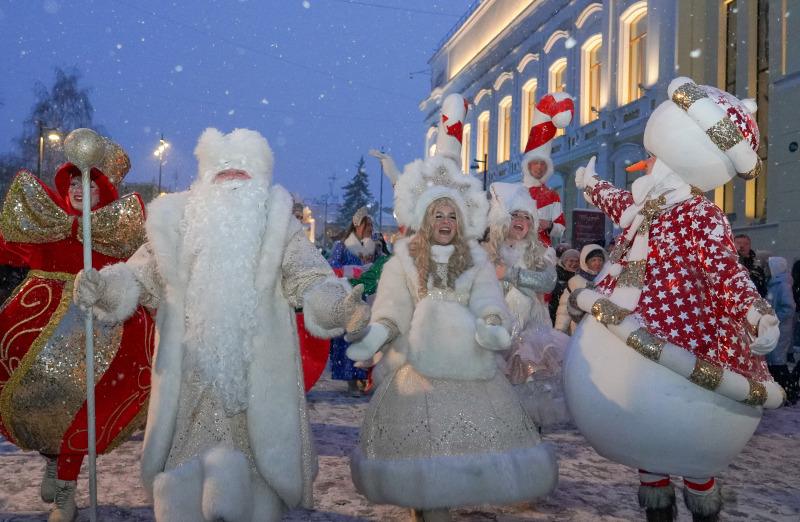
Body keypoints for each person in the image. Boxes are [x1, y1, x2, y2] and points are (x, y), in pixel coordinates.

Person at [74, 128, 370, 522]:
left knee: (255, 483)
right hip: (190, 382)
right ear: (205, 178)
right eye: (222, 173)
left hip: (256, 382)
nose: (231, 181)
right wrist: (105, 287)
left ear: (259, 179)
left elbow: (309, 277)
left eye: (242, 174)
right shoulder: (178, 222)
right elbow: (139, 276)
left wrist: (337, 306)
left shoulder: (279, 225)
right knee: (185, 483)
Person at [567, 77, 782, 522]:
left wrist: (757, 314)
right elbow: (623, 205)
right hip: (626, 302)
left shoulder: (699, 213)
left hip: (681, 320)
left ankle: (699, 499)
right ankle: (658, 505)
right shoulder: (653, 204)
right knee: (649, 449)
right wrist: (591, 185)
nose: (649, 167)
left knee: (681, 430)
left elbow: (725, 271)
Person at [345, 94, 558, 522]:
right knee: (420, 444)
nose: (445, 222)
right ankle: (423, 504)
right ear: (426, 218)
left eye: (452, 216)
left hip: (468, 367)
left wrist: (493, 323)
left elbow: (487, 299)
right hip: (415, 368)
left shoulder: (476, 259)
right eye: (438, 214)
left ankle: (442, 500)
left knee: (457, 446)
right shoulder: (404, 257)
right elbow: (392, 308)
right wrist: (378, 332)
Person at [0, 137, 154, 522]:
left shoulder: (114, 234)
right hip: (32, 332)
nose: (77, 191)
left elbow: (140, 273)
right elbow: (9, 246)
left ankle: (66, 492)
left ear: (102, 191)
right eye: (71, 184)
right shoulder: (45, 225)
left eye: (87, 184)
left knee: (81, 410)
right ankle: (52, 462)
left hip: (95, 332)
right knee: (40, 405)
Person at [485, 182, 571, 426]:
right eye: (515, 215)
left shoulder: (541, 252)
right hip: (496, 331)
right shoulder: (488, 252)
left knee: (528, 388)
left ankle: (529, 432)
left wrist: (512, 274)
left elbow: (547, 282)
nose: (521, 220)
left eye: (527, 216)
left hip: (531, 334)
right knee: (497, 389)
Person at [328, 207, 383, 396]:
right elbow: (332, 268)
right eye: (367, 224)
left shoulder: (375, 248)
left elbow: (385, 265)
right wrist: (353, 271)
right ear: (357, 225)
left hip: (368, 298)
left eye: (372, 224)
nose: (370, 228)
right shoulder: (342, 247)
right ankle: (351, 379)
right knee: (349, 339)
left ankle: (363, 377)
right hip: (349, 298)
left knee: (366, 337)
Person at [521, 91, 574, 247]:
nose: (539, 167)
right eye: (535, 163)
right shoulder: (514, 192)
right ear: (528, 165)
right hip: (516, 252)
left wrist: (549, 225)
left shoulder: (551, 196)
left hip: (543, 254)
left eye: (543, 164)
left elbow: (561, 228)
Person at [764, 256, 799, 404]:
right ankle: (782, 393)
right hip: (776, 329)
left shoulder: (782, 284)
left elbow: (789, 307)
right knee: (774, 362)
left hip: (779, 329)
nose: (765, 269)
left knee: (778, 363)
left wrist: (774, 318)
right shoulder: (776, 283)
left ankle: (789, 393)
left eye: (767, 267)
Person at [554, 244, 607, 335]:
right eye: (593, 260)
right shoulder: (575, 282)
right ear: (585, 262)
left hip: (603, 331)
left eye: (600, 260)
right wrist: (560, 330)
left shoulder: (608, 281)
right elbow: (564, 308)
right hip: (580, 330)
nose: (597, 263)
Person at [549, 247, 580, 325]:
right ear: (564, 261)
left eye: (577, 261)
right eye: (571, 261)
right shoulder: (555, 275)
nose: (574, 264)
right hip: (556, 316)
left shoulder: (581, 277)